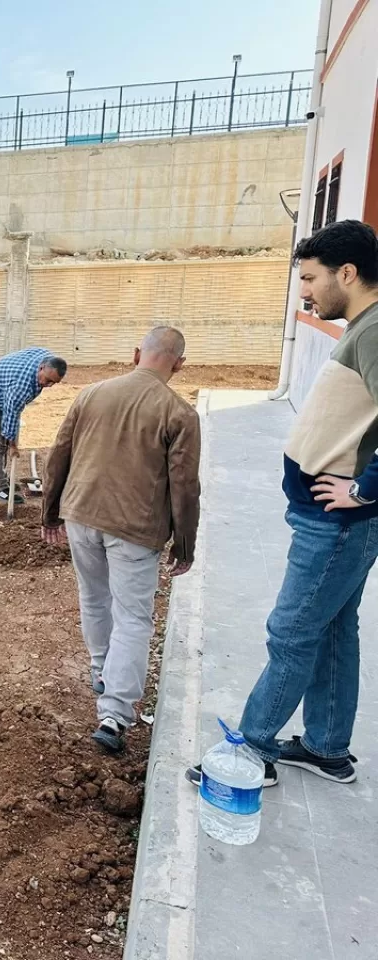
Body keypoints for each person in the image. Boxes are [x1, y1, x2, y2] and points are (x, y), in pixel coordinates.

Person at [187, 219, 378, 789]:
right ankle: (326, 749)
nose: (305, 291)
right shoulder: (363, 325)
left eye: (311, 278)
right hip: (334, 520)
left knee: (291, 632)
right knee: (332, 629)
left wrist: (364, 488)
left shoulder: (375, 331)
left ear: (347, 273)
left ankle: (252, 752)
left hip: (337, 521)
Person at [41, 327, 200, 754]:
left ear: (136, 354)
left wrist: (50, 512)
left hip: (81, 514)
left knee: (94, 598)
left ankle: (100, 671)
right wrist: (184, 546)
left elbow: (60, 453)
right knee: (133, 618)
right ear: (179, 364)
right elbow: (185, 486)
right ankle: (113, 715)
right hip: (136, 528)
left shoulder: (91, 394)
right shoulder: (179, 413)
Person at [0, 347, 67, 502]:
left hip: (1, 396)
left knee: (5, 441)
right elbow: (11, 415)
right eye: (48, 380)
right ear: (41, 368)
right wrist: (13, 445)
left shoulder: (46, 358)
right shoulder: (22, 386)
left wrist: (12, 441)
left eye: (54, 383)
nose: (49, 386)